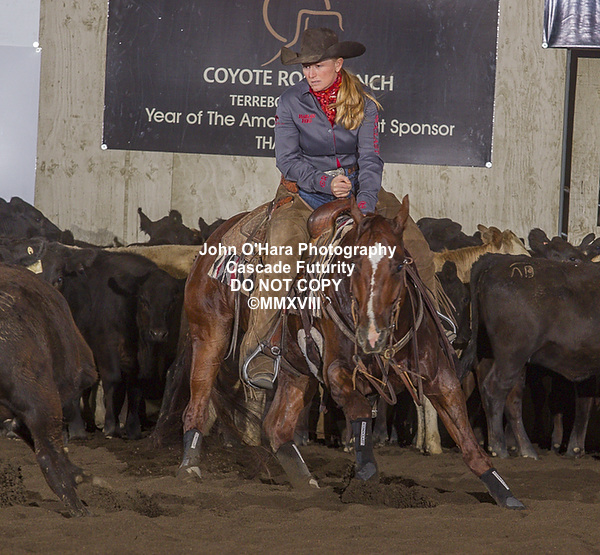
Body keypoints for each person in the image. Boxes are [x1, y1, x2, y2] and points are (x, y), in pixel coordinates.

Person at [240, 27, 436, 390]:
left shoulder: (365, 103)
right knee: (281, 257)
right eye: (306, 66)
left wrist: (363, 207)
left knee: (417, 247)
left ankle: (436, 326)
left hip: (360, 190)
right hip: (304, 194)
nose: (310, 73)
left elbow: (370, 159)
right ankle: (260, 349)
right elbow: (287, 160)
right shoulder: (290, 102)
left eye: (318, 65)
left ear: (338, 64)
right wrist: (323, 183)